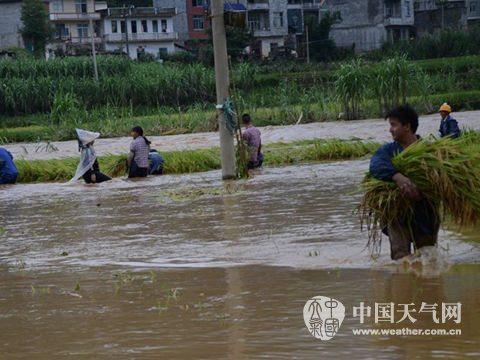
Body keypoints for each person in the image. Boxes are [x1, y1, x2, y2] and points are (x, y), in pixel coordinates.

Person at [369, 105, 440, 260]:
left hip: (426, 213)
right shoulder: (388, 150)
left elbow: (441, 178)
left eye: (393, 125)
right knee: (400, 257)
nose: (390, 129)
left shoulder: (430, 150)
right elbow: (375, 165)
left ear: (407, 126)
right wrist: (397, 176)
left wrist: (421, 192)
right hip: (397, 213)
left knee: (428, 256)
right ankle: (403, 283)